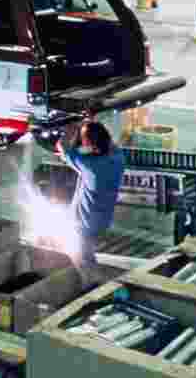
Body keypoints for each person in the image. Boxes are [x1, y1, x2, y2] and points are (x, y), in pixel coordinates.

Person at [54, 119, 125, 280]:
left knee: (83, 259)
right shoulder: (118, 158)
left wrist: (72, 128)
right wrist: (89, 124)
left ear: (91, 146)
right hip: (103, 220)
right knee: (85, 253)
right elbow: (109, 144)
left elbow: (61, 147)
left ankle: (95, 289)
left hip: (83, 225)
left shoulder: (89, 166)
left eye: (83, 137)